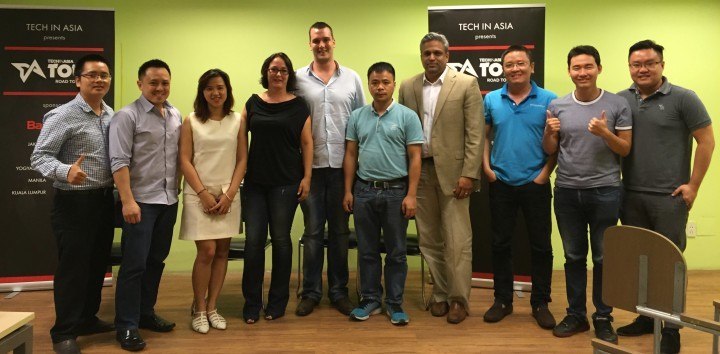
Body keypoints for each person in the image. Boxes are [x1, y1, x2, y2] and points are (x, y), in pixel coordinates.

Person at [615, 39, 714, 354]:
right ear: (629, 66)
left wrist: (693, 186)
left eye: (649, 63)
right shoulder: (620, 100)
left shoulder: (685, 99)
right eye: (636, 64)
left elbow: (707, 142)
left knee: (669, 265)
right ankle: (646, 319)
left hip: (668, 199)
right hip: (630, 196)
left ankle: (671, 329)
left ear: (661, 65)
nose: (642, 69)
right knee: (639, 262)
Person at [542, 45, 632, 344]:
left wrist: (605, 133)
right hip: (567, 191)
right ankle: (577, 315)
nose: (582, 72)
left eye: (588, 67)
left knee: (604, 258)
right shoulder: (558, 105)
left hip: (606, 191)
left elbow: (625, 149)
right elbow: (550, 150)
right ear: (569, 71)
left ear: (599, 69)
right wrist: (549, 132)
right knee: (574, 256)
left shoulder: (618, 103)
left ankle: (603, 317)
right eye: (576, 68)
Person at [31, 54, 115, 354]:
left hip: (104, 201)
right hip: (73, 203)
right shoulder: (63, 115)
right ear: (77, 80)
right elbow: (39, 157)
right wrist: (67, 170)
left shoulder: (110, 114)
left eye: (104, 75)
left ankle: (87, 319)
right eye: (92, 75)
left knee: (96, 265)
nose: (99, 80)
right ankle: (63, 331)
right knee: (73, 268)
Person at [398, 32, 484, 324]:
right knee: (429, 239)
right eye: (427, 53)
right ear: (421, 56)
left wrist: (469, 174)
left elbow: (475, 132)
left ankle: (459, 300)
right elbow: (402, 133)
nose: (432, 58)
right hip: (420, 173)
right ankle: (441, 294)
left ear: (447, 55)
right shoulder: (408, 86)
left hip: (455, 175)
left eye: (437, 53)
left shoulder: (466, 83)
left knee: (457, 240)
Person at [481, 45, 557, 330]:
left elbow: (556, 145)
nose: (515, 69)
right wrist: (487, 170)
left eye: (520, 63)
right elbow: (483, 139)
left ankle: (540, 303)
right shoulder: (491, 99)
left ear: (531, 67)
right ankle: (503, 301)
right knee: (500, 244)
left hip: (535, 183)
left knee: (541, 246)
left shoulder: (549, 99)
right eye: (509, 64)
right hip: (501, 182)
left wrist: (544, 174)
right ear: (503, 68)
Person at [342, 62, 423, 326]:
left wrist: (411, 195)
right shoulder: (357, 116)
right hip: (364, 191)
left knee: (396, 252)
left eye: (385, 82)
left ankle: (395, 303)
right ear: (369, 84)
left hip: (396, 192)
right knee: (366, 251)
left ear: (393, 84)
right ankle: (370, 299)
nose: (380, 87)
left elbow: (415, 158)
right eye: (375, 82)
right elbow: (351, 154)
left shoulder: (407, 116)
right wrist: (348, 190)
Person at [110, 59, 182, 351]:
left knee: (155, 261)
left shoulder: (175, 114)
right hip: (140, 203)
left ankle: (145, 313)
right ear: (140, 84)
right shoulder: (127, 116)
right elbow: (119, 161)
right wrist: (128, 201)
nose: (159, 88)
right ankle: (126, 325)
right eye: (153, 82)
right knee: (134, 265)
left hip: (168, 201)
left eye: (164, 82)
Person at [294, 21, 365, 316]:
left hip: (342, 170)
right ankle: (311, 292)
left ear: (334, 41)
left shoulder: (352, 78)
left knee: (338, 233)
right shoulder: (297, 79)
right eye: (315, 40)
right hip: (308, 169)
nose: (321, 45)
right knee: (312, 234)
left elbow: (361, 120)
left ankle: (338, 292)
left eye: (325, 39)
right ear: (309, 44)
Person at [241, 52, 313, 324]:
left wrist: (307, 178)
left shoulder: (299, 105)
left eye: (283, 70)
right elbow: (239, 140)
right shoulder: (253, 102)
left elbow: (307, 143)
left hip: (286, 183)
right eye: (273, 69)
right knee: (253, 243)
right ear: (266, 72)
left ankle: (277, 302)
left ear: (289, 74)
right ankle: (251, 304)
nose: (278, 74)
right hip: (255, 184)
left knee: (281, 240)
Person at [178, 69, 247, 333]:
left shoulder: (237, 120)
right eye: (209, 88)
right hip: (199, 194)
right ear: (202, 92)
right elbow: (184, 160)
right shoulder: (192, 121)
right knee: (206, 251)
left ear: (227, 90)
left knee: (221, 252)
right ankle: (198, 307)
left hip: (228, 195)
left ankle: (212, 307)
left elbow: (242, 159)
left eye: (220, 87)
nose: (215, 93)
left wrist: (229, 194)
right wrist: (204, 194)